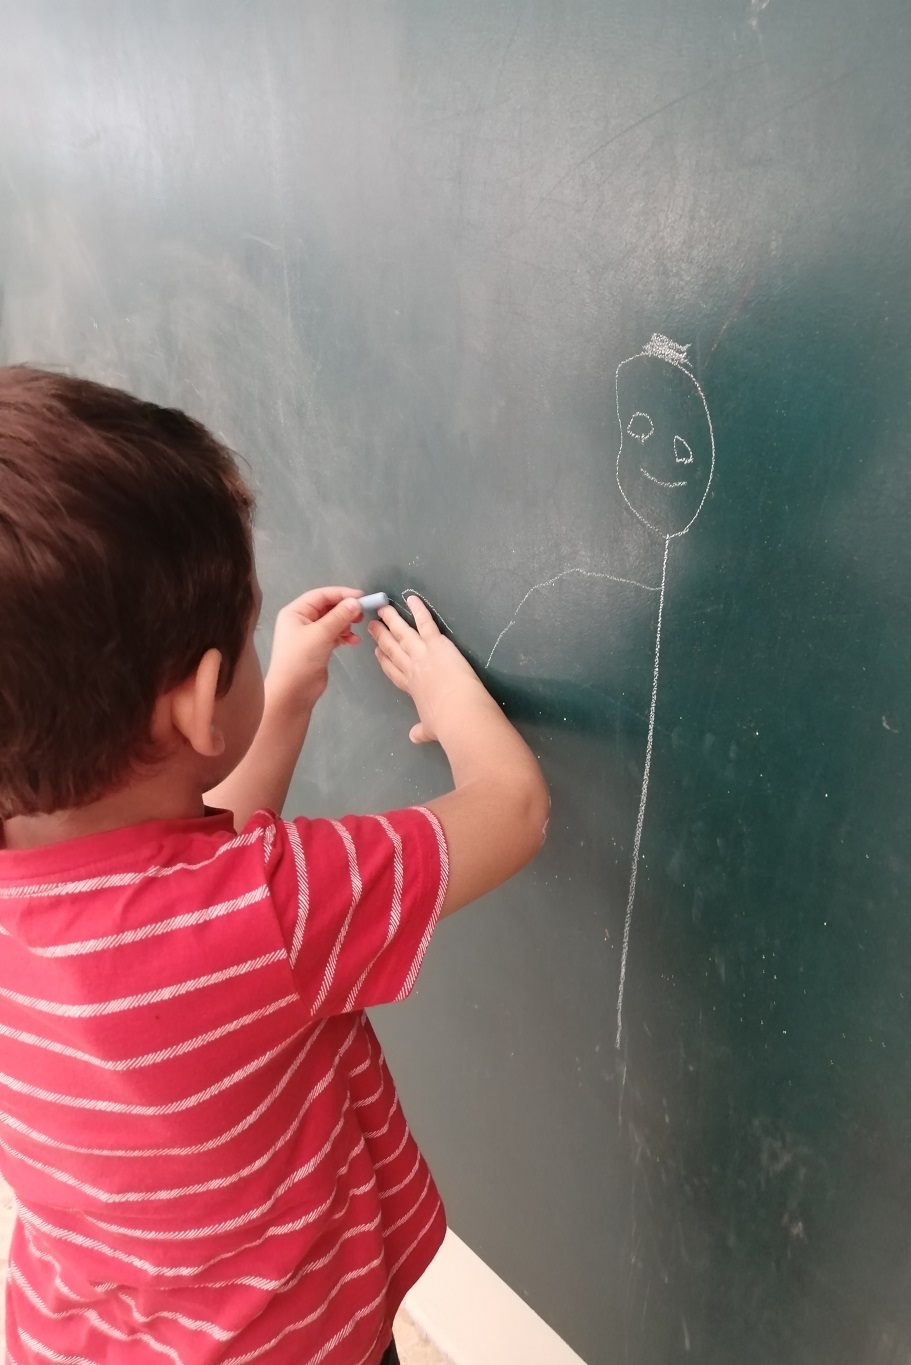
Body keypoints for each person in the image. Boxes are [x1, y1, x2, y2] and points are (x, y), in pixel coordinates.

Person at [0, 365, 549, 1364]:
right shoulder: (270, 911)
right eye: (249, 639)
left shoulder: (159, 909)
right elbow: (511, 809)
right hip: (299, 1340)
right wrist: (449, 695)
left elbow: (190, 892)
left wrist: (284, 696)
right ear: (198, 704)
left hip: (95, 1333)